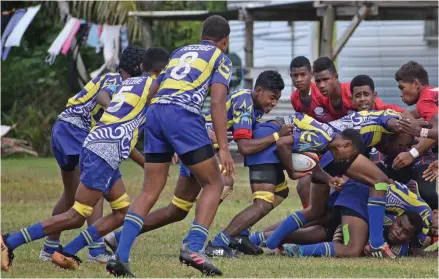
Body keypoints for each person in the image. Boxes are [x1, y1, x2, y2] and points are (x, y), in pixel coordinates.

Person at [0, 47, 169, 273]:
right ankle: (9, 241)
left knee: (119, 211)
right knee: (78, 213)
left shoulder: (131, 86)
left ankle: (62, 250)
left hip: (93, 141)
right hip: (85, 138)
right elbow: (104, 95)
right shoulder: (133, 83)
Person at [104, 70, 288, 257]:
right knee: (224, 182)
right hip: (199, 147)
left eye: (277, 99)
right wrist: (276, 135)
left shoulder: (253, 106)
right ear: (258, 90)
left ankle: (117, 237)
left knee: (176, 211)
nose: (273, 103)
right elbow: (245, 148)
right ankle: (200, 244)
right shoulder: (244, 101)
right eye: (272, 97)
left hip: (198, 148)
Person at [106, 15, 234, 277]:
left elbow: (154, 87)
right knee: (214, 183)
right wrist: (223, 148)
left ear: (202, 35)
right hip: (182, 114)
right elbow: (218, 102)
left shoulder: (180, 51)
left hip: (157, 112)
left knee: (149, 190)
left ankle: (120, 256)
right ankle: (194, 247)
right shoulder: (221, 58)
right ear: (225, 40)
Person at [263, 108, 412, 258]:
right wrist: (292, 172)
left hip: (323, 155)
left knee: (315, 211)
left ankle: (263, 241)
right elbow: (282, 143)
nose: (404, 147)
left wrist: (329, 179)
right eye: (407, 142)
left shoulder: (330, 141)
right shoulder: (391, 119)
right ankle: (377, 242)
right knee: (379, 181)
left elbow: (316, 165)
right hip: (315, 144)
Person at [42, 45, 145, 264]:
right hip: (76, 131)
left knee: (71, 195)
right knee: (94, 189)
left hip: (63, 129)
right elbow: (102, 96)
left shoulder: (122, 83)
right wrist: (113, 108)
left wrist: (146, 164)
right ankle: (96, 251)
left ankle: (49, 248)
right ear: (138, 67)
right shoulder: (118, 82)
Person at [313, 57, 404, 120]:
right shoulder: (321, 99)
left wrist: (404, 115)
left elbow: (382, 108)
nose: (321, 85)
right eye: (318, 81)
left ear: (336, 77)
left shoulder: (355, 92)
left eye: (325, 80)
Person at [395, 61, 438, 141]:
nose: (401, 94)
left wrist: (420, 131)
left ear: (415, 84)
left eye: (402, 88)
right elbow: (411, 113)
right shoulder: (432, 92)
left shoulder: (424, 101)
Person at [289, 56, 332, 123]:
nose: (299, 79)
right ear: (291, 76)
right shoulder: (294, 98)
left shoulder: (322, 92)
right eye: (295, 75)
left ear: (311, 74)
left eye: (303, 74)